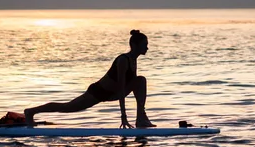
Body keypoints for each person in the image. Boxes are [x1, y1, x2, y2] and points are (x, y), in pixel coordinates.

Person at [24, 30, 156, 128]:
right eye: (144, 44)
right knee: (68, 107)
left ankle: (141, 118)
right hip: (98, 92)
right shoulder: (123, 60)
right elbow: (122, 89)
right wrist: (124, 117)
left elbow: (130, 86)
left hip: (112, 93)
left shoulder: (133, 60)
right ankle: (31, 112)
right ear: (134, 45)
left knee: (141, 80)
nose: (147, 47)